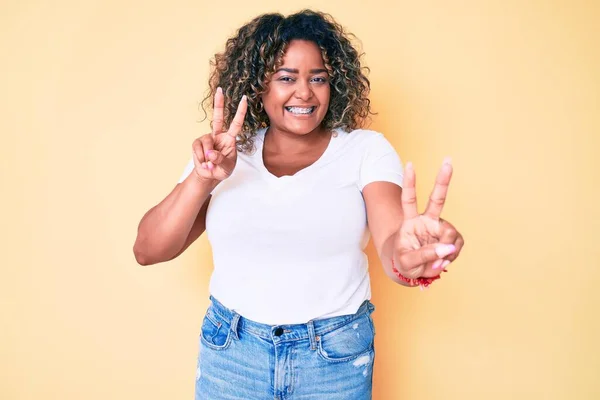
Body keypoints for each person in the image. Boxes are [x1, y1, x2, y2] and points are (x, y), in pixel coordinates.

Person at [133, 9, 464, 400]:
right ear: (259, 86)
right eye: (286, 78)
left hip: (334, 359)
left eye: (318, 78)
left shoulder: (364, 151)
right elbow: (148, 249)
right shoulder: (224, 152)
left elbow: (393, 240)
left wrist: (411, 254)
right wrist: (202, 178)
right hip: (232, 354)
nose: (304, 92)